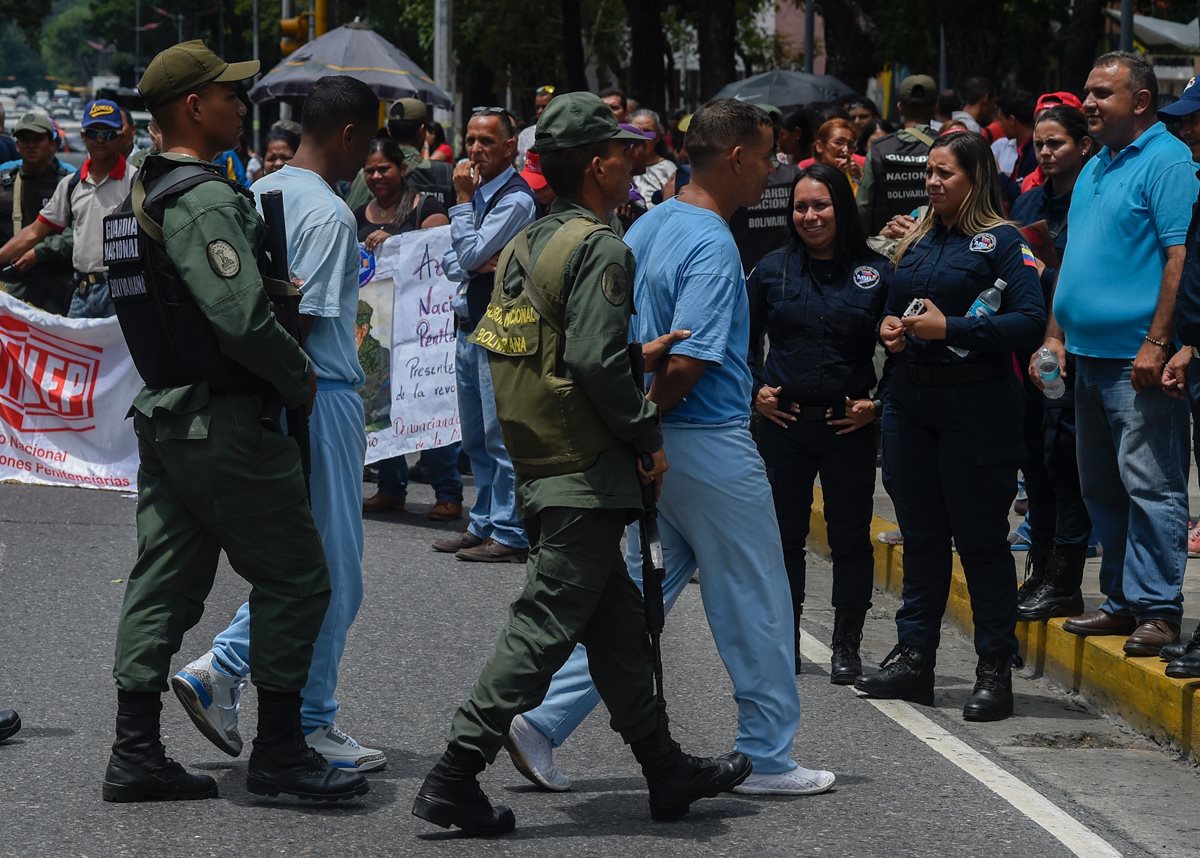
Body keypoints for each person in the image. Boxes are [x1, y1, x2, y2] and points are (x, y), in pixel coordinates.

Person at [412, 91, 751, 838]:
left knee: (620, 629)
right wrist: (644, 435)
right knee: (540, 631)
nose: (633, 159)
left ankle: (665, 770)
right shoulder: (600, 247)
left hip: (543, 461)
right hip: (585, 472)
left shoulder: (528, 246)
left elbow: (557, 352)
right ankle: (453, 773)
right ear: (597, 164)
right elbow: (595, 366)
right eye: (621, 149)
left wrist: (634, 355)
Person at [508, 99, 836, 799]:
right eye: (770, 153)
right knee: (757, 599)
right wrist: (643, 430)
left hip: (656, 447)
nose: (774, 169)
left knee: (636, 605)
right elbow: (688, 365)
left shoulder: (647, 222)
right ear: (738, 156)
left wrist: (635, 433)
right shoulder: (713, 241)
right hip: (704, 442)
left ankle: (538, 721)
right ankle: (769, 755)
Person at [101, 40, 366, 803]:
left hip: (172, 415)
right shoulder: (206, 197)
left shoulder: (143, 190)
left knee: (162, 584)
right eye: (227, 94)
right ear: (192, 106)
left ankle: (136, 752)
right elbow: (243, 318)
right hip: (226, 421)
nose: (239, 104)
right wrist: (299, 376)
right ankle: (282, 756)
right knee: (298, 576)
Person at [170, 74, 386, 775]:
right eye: (369, 141)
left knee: (307, 566)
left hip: (275, 401)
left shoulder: (260, 190)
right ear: (349, 135)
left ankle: (237, 677)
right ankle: (294, 711)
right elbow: (308, 323)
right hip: (319, 396)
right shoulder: (329, 212)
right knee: (332, 575)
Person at [856, 131, 1045, 722]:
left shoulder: (1003, 242)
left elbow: (1028, 322)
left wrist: (953, 330)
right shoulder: (915, 237)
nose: (934, 183)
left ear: (976, 178)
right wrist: (890, 325)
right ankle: (915, 659)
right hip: (912, 406)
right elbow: (893, 304)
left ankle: (994, 668)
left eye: (947, 175)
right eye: (930, 173)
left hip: (977, 411)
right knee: (923, 538)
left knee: (983, 543)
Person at [1047, 52, 1196, 657]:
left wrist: (1157, 343)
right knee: (1102, 488)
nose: (1087, 103)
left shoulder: (1168, 162)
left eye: (1101, 93)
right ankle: (1120, 601)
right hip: (1085, 356)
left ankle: (1159, 609)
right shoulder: (1095, 165)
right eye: (1086, 91)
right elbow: (1074, 259)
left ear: (1139, 101)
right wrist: (1054, 336)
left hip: (1139, 365)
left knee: (1152, 486)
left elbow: (1179, 260)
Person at [749, 163, 889, 684]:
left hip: (846, 428)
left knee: (850, 539)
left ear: (842, 209)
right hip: (781, 426)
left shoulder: (876, 273)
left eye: (822, 205)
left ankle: (846, 644)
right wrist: (753, 391)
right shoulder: (770, 270)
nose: (810, 216)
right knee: (781, 539)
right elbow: (735, 340)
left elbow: (902, 347)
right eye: (801, 206)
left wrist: (878, 404)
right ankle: (783, 641)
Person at [432, 107, 537, 562]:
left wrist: (459, 207)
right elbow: (455, 262)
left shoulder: (515, 200)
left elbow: (469, 252)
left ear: (511, 147)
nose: (475, 150)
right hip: (467, 327)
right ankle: (482, 522)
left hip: (499, 331)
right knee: (473, 438)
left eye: (487, 142)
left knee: (500, 438)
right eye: (471, 140)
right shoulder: (478, 195)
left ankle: (510, 532)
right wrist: (471, 256)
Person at [1012, 106, 1094, 622]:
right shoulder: (1028, 201)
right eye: (1040, 144)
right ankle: (1038, 568)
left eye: (1056, 143)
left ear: (1083, 146)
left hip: (1077, 350)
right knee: (1036, 462)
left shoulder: (1091, 198)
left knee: (1066, 463)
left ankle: (1065, 579)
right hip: (1030, 351)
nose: (1045, 152)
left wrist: (1046, 273)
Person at [355, 137, 462, 522]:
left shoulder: (427, 209)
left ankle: (448, 491)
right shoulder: (358, 214)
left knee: (427, 410)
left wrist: (397, 242)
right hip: (381, 333)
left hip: (422, 335)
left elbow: (440, 254)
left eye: (384, 168)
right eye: (369, 170)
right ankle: (389, 487)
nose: (377, 176)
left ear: (401, 169)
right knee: (383, 410)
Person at [0, 98, 136, 319]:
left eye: (108, 134)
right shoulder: (71, 185)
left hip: (120, 290)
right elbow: (35, 232)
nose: (100, 140)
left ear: (121, 136)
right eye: (94, 133)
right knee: (68, 352)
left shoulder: (135, 182)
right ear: (83, 136)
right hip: (81, 292)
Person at [0, 110, 75, 314]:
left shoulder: (69, 182)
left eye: (38, 139)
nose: (31, 145)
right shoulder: (4, 181)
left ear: (52, 143)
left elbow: (79, 232)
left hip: (55, 281)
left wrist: (40, 252)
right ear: (17, 145)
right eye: (25, 139)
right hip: (11, 281)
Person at [857, 75, 937, 236]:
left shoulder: (879, 149)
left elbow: (863, 206)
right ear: (935, 108)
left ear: (899, 108)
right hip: (933, 244)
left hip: (886, 246)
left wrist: (863, 247)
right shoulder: (946, 146)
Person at [345, 99, 454, 211]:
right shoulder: (446, 172)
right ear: (422, 131)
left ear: (389, 132)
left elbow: (351, 215)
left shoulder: (370, 173)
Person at [628, 109, 676, 207]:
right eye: (636, 131)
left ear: (657, 137)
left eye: (647, 131)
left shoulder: (669, 169)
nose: (641, 137)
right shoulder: (621, 167)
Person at [801, 118, 866, 188]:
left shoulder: (855, 176)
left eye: (850, 145)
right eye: (838, 143)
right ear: (819, 146)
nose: (846, 150)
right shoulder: (808, 179)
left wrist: (860, 177)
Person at [516, 84, 556, 168]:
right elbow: (518, 166)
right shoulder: (525, 134)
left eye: (544, 107)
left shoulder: (564, 132)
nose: (540, 111)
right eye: (537, 107)